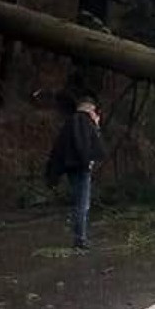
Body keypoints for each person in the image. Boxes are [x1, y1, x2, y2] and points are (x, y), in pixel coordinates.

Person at [46, 95, 105, 251]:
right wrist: (88, 162)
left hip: (71, 166)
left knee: (79, 202)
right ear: (90, 108)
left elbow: (59, 147)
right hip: (81, 167)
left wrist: (54, 172)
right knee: (82, 204)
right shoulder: (84, 122)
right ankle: (80, 239)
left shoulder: (70, 122)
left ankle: (80, 237)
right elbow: (87, 143)